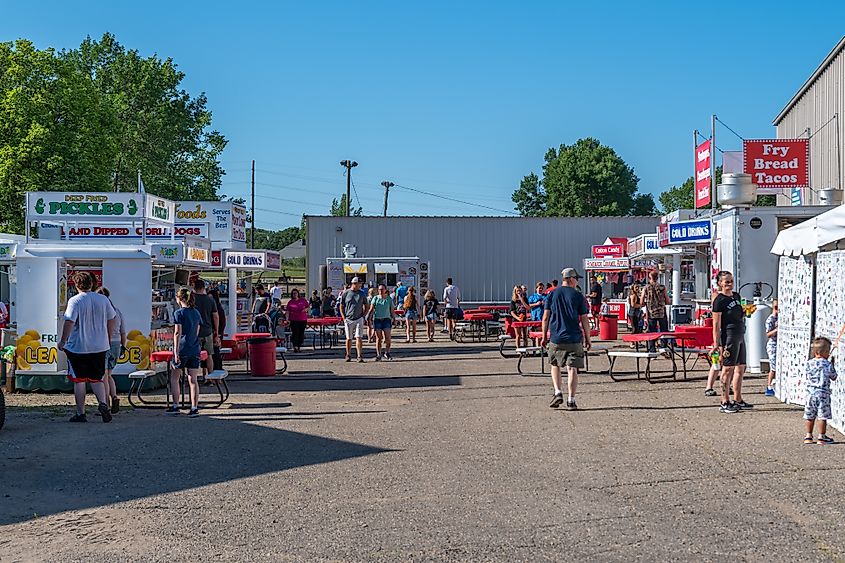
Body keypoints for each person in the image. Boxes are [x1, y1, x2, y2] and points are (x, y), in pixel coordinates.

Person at [58, 271, 116, 423]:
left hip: (79, 346)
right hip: (99, 346)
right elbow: (112, 319)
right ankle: (103, 404)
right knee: (97, 379)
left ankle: (80, 412)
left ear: (76, 285)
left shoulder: (75, 301)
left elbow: (69, 321)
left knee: (79, 380)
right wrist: (108, 338)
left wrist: (63, 340)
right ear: (91, 283)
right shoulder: (103, 300)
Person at [541, 268, 591, 410]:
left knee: (555, 364)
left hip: (556, 337)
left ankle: (557, 392)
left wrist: (544, 336)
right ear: (570, 279)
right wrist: (588, 338)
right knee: (572, 369)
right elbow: (584, 319)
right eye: (576, 278)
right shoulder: (578, 296)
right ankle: (571, 400)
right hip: (574, 338)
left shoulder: (552, 294)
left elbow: (545, 318)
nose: (577, 281)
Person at [712, 270, 750, 414]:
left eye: (731, 281)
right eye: (726, 281)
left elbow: (740, 312)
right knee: (727, 369)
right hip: (728, 335)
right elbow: (716, 325)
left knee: (741, 368)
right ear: (720, 283)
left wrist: (746, 311)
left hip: (740, 333)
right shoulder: (719, 300)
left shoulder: (736, 296)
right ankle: (724, 400)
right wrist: (716, 344)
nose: (729, 284)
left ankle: (738, 399)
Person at [169, 288, 202, 417]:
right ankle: (194, 407)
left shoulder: (178, 313)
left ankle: (176, 405)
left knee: (175, 378)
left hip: (182, 348)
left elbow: (177, 332)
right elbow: (198, 330)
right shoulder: (196, 313)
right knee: (193, 379)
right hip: (194, 348)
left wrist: (176, 352)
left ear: (179, 299)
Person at [96, 287, 126, 414]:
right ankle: (114, 397)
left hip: (104, 345)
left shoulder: (101, 312)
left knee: (103, 376)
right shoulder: (117, 311)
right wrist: (123, 346)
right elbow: (123, 332)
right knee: (109, 375)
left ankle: (106, 404)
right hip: (117, 344)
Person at [803, 337, 837, 444]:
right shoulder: (827, 364)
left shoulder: (809, 363)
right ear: (825, 352)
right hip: (822, 394)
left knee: (809, 415)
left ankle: (808, 436)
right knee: (822, 416)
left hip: (810, 394)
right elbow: (834, 376)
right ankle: (821, 436)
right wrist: (832, 364)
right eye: (828, 351)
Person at [192, 278, 219, 377]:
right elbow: (215, 316)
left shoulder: (192, 299)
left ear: (194, 287)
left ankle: (193, 377)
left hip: (194, 331)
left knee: (193, 355)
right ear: (204, 287)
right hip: (208, 330)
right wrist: (216, 330)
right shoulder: (210, 300)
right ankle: (210, 377)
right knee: (209, 355)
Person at [641, 270, 670, 352]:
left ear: (649, 278)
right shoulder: (662, 287)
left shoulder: (646, 288)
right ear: (657, 278)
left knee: (651, 332)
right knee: (664, 331)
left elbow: (642, 301)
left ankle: (652, 349)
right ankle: (664, 348)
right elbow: (668, 301)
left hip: (651, 312)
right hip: (661, 312)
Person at [340, 277, 366, 362]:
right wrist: (343, 317)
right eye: (359, 283)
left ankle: (359, 355)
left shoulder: (362, 294)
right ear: (354, 284)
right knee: (349, 338)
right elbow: (341, 306)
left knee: (359, 337)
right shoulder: (346, 293)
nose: (360, 285)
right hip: (348, 318)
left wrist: (364, 315)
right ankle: (348, 354)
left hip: (359, 318)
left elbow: (366, 304)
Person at [369, 284, 395, 360]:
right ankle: (378, 354)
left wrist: (394, 318)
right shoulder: (375, 298)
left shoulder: (389, 299)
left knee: (388, 338)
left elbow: (392, 310)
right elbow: (371, 309)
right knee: (378, 338)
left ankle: (387, 353)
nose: (381, 291)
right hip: (377, 319)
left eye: (382, 289)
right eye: (379, 289)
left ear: (385, 290)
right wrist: (368, 319)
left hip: (386, 319)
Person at [208, 288, 227, 372]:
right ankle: (216, 370)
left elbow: (222, 322)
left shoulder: (218, 309)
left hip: (217, 333)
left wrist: (219, 333)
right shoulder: (214, 308)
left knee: (215, 354)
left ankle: (218, 369)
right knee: (214, 354)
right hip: (214, 333)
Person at [286, 288, 309, 353]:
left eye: (295, 293)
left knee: (301, 333)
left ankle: (299, 346)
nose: (294, 295)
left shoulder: (303, 300)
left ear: (298, 294)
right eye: (293, 293)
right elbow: (287, 311)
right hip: (293, 320)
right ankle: (295, 346)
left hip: (302, 319)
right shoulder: (290, 302)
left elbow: (308, 307)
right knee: (295, 333)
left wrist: (305, 310)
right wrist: (287, 319)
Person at [765, 299, 779, 397]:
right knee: (773, 367)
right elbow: (768, 334)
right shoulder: (771, 319)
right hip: (773, 345)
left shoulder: (780, 318)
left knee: (777, 367)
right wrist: (777, 330)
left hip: (779, 344)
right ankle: (769, 386)